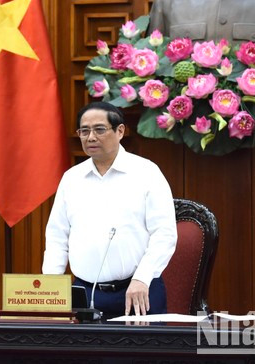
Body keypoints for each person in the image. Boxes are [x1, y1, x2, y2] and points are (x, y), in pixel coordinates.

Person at [42, 102, 177, 317]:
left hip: (137, 289)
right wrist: (51, 287)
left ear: (120, 131)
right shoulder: (72, 179)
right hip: (84, 293)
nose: (91, 137)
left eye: (100, 129)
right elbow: (57, 235)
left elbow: (165, 234)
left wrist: (142, 277)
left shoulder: (146, 172)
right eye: (84, 131)